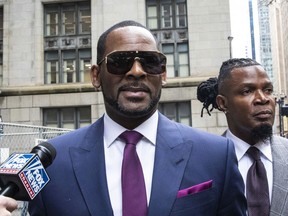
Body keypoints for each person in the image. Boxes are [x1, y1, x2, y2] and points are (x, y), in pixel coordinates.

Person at [28, 20, 246, 216]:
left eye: (150, 62)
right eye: (120, 61)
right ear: (96, 76)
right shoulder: (50, 165)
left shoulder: (217, 155)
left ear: (163, 74)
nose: (137, 71)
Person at [197, 58, 288, 215]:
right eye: (247, 91)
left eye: (268, 90)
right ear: (223, 103)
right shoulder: (201, 164)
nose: (263, 98)